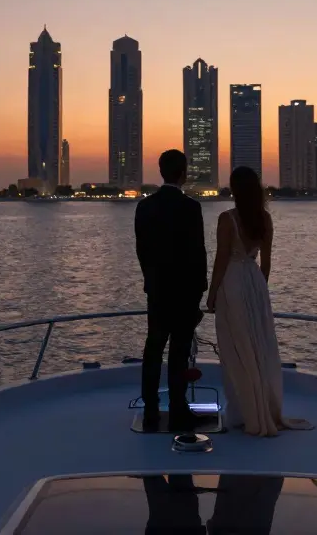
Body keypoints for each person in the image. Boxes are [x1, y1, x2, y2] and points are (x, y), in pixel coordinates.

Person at [206, 166, 312, 436]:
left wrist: (212, 292)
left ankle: (244, 412)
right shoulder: (264, 218)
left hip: (233, 282)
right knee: (258, 346)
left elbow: (220, 260)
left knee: (236, 348)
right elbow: (266, 263)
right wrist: (258, 289)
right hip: (254, 282)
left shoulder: (227, 219)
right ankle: (262, 406)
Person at [134, 149, 207, 432]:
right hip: (185, 294)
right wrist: (200, 292)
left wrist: (150, 280)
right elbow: (197, 254)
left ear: (161, 171)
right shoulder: (191, 208)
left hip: (157, 291)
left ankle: (151, 410)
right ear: (183, 172)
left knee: (153, 350)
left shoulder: (145, 207)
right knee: (178, 353)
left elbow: (142, 250)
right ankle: (178, 409)